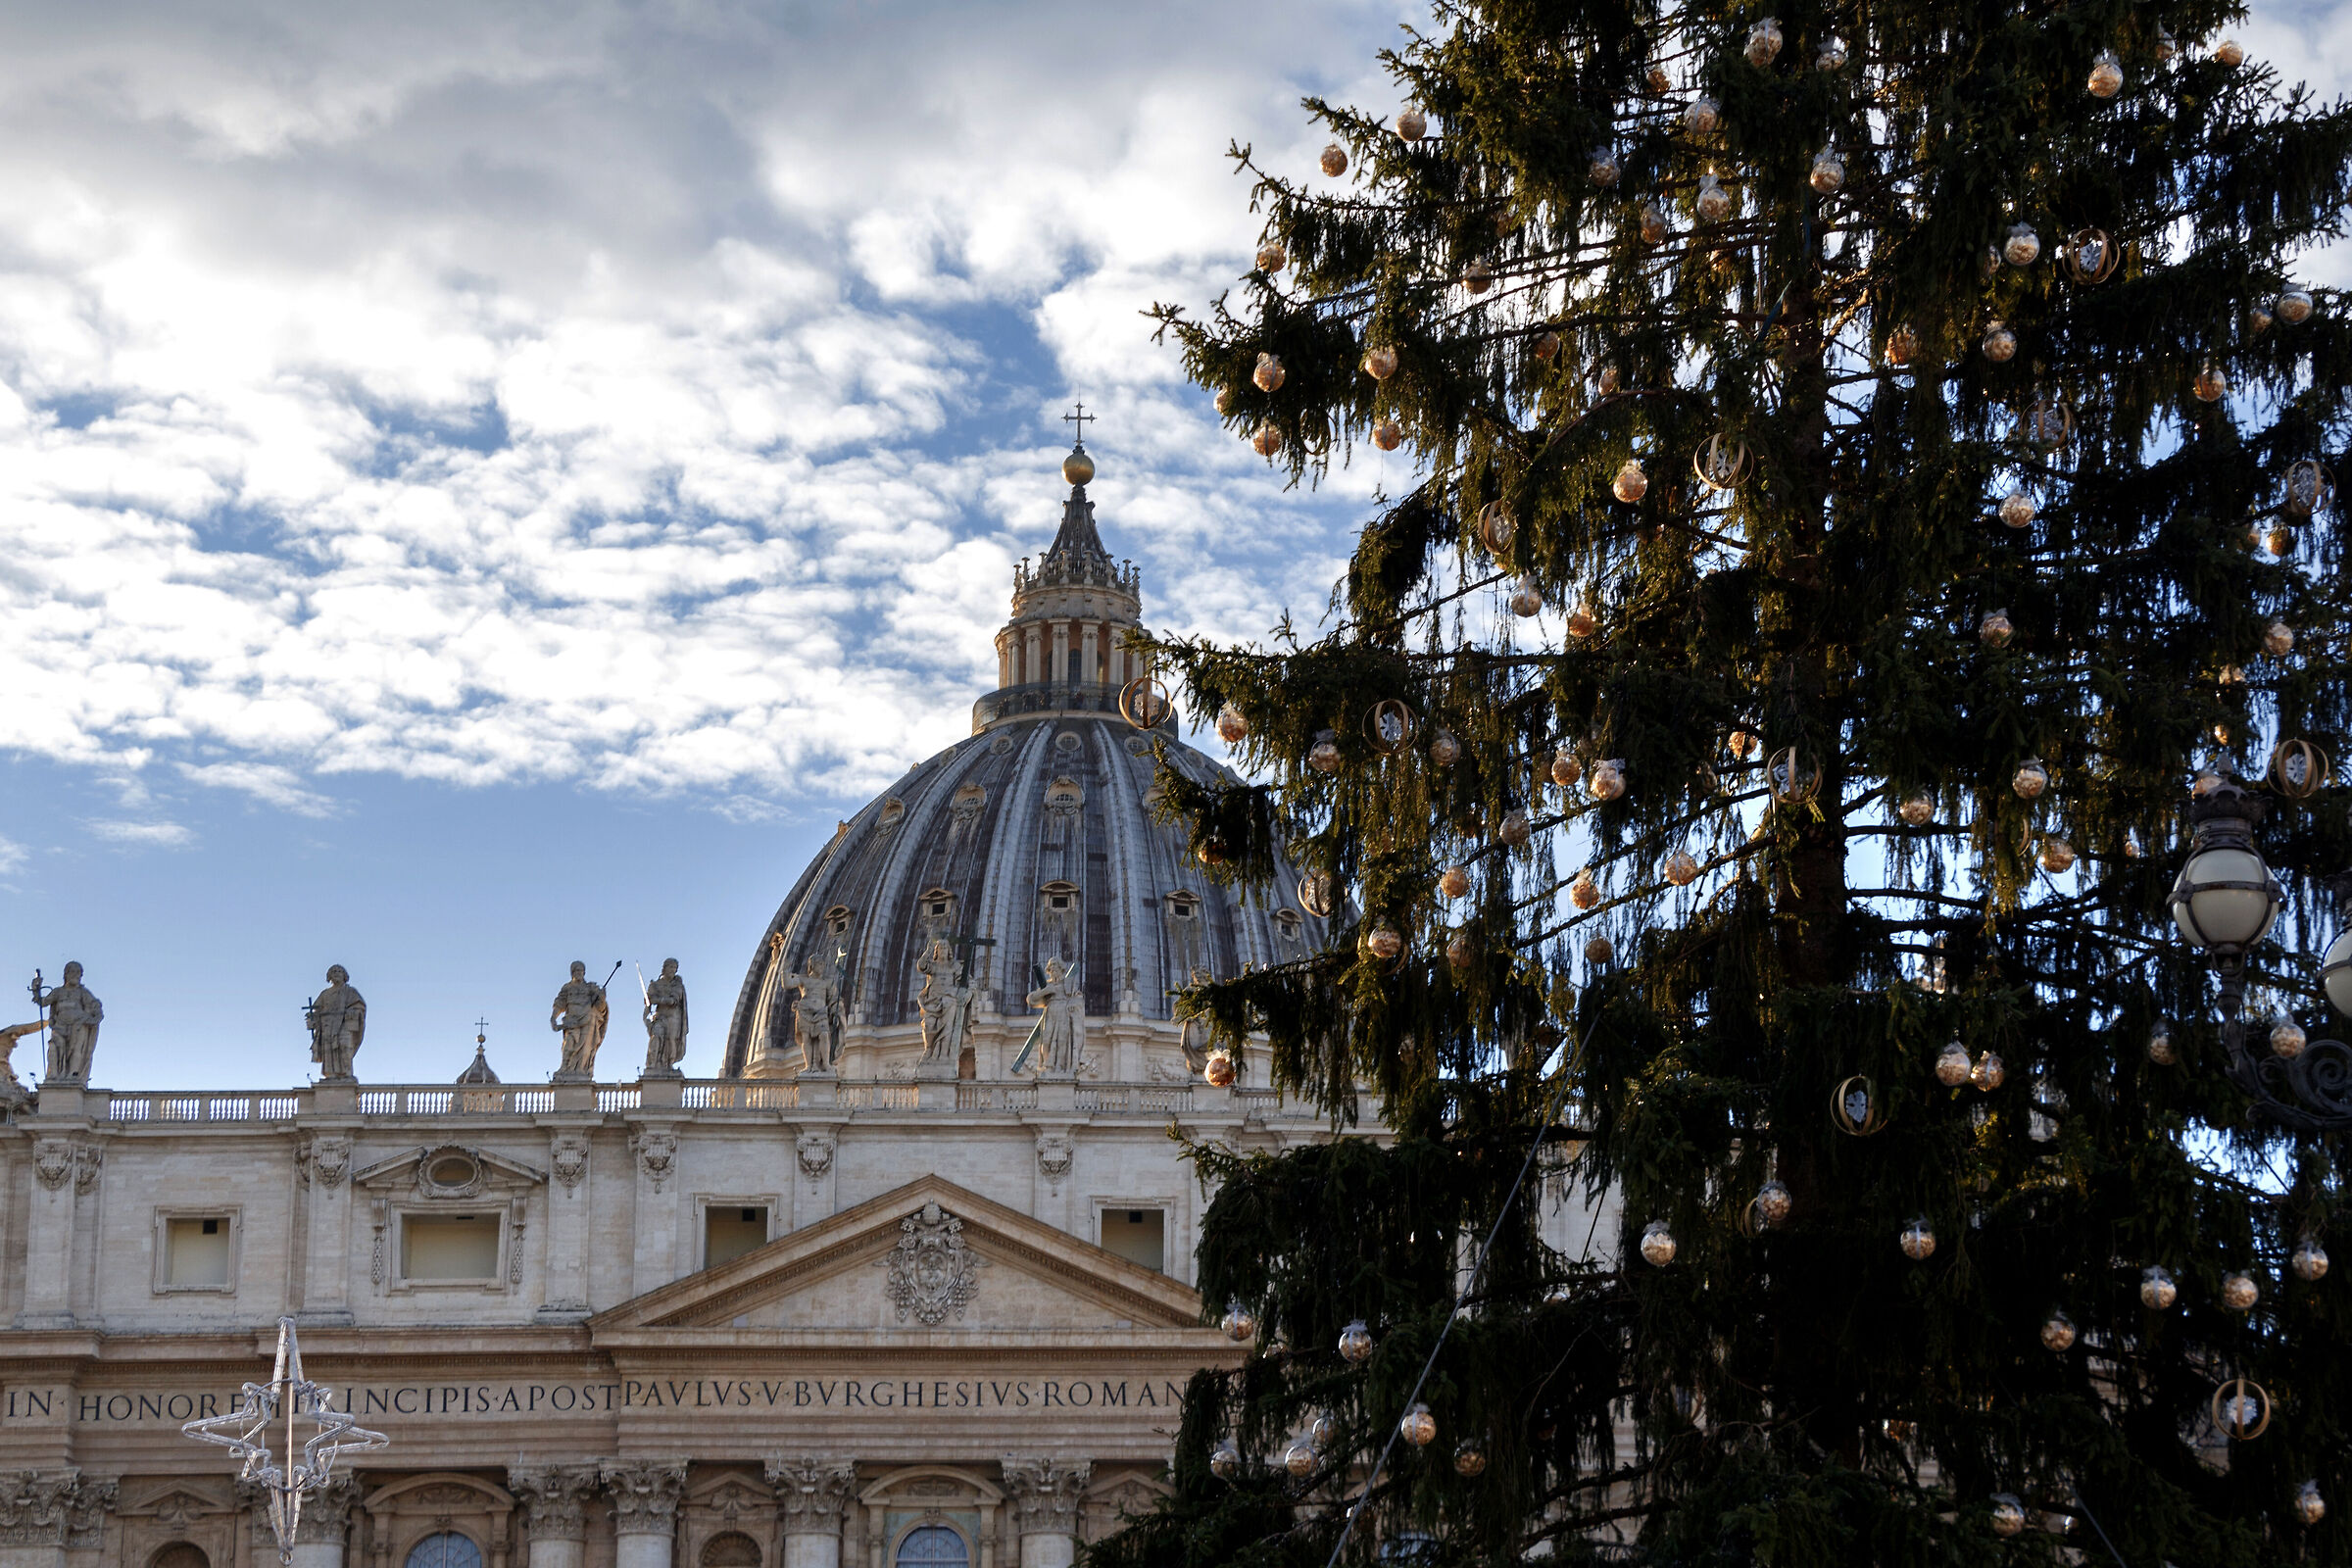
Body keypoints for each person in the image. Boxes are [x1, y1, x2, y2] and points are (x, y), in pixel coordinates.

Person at [35, 962, 101, 1083]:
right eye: (73, 972)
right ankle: (53, 1075)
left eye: (79, 973)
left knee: (77, 1049)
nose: (76, 975)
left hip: (79, 1024)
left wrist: (95, 1015)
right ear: (66, 974)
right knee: (53, 1047)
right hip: (59, 1025)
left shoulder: (83, 992)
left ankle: (73, 1075)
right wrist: (36, 989)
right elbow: (43, 1002)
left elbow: (95, 1006)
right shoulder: (58, 991)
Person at [1023, 956, 1084, 1075]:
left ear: (1061, 968)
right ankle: (1048, 1065)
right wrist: (1045, 991)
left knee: (1062, 1041)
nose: (1053, 968)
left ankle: (1059, 1067)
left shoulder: (1068, 984)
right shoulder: (1047, 985)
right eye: (1051, 966)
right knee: (1046, 1040)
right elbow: (1031, 999)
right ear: (1048, 970)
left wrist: (1072, 1003)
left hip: (1064, 1013)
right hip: (1050, 1013)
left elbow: (1078, 998)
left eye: (1055, 965)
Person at [306, 965, 367, 1080]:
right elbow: (317, 1010)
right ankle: (331, 1074)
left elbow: (360, 1006)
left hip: (344, 1023)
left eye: (339, 971)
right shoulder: (325, 994)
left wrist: (353, 1011)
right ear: (329, 976)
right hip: (328, 1025)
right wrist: (312, 1017)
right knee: (328, 1050)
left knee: (344, 1045)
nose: (336, 973)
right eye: (333, 972)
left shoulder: (350, 991)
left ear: (344, 975)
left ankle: (347, 1072)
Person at [550, 960, 609, 1078]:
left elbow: (600, 1007)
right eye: (576, 971)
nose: (579, 973)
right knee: (569, 1045)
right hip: (571, 1021)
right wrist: (553, 1018)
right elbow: (560, 1003)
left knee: (585, 1048)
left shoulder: (591, 988)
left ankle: (581, 1070)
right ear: (572, 972)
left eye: (581, 971)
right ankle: (565, 1068)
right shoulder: (567, 988)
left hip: (588, 1020)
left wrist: (601, 998)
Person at [642, 958, 688, 1076]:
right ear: (664, 968)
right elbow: (648, 1002)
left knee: (671, 1040)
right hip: (660, 1017)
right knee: (656, 1035)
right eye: (671, 967)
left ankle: (669, 1064)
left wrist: (657, 999)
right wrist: (646, 1015)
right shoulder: (655, 984)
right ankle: (653, 1063)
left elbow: (673, 1001)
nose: (673, 970)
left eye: (675, 968)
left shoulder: (678, 985)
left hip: (674, 1017)